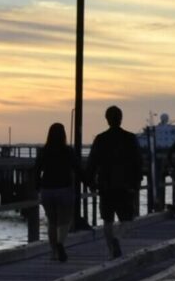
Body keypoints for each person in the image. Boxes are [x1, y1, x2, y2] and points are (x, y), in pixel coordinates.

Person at [84, 104, 142, 258]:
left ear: (107, 120)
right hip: (125, 185)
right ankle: (118, 238)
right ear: (121, 119)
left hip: (105, 185)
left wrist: (90, 182)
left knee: (107, 220)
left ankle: (111, 251)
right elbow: (138, 162)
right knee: (127, 219)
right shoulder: (130, 138)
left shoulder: (101, 139)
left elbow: (92, 162)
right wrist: (137, 183)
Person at [33, 122, 78, 262]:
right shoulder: (68, 151)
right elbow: (77, 168)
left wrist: (38, 186)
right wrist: (89, 181)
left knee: (52, 221)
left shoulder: (44, 151)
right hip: (64, 188)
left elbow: (36, 170)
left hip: (47, 190)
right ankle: (60, 244)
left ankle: (53, 252)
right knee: (65, 220)